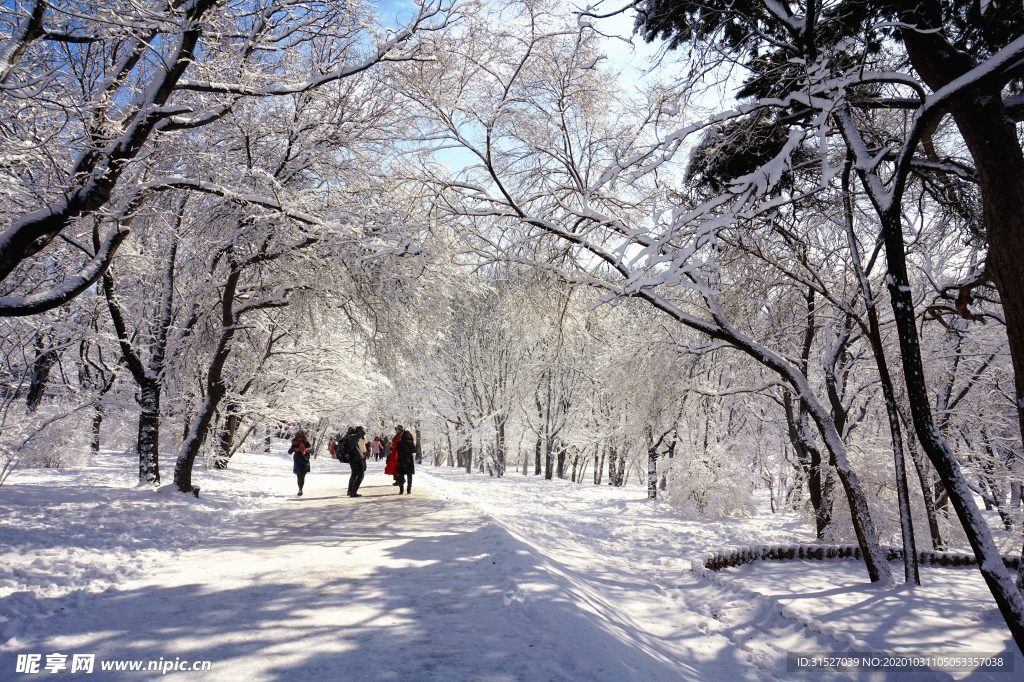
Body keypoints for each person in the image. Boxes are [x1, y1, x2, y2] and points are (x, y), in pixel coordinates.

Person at [344, 426, 367, 497]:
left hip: (351, 458)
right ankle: (353, 491)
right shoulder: (352, 437)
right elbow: (363, 432)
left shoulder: (346, 437)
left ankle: (350, 490)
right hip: (357, 457)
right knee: (361, 474)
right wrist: (360, 428)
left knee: (354, 474)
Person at [289, 431, 312, 496]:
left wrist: (309, 450)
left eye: (301, 437)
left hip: (305, 460)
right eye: (299, 437)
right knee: (299, 475)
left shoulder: (306, 443)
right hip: (297, 461)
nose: (300, 439)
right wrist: (294, 449)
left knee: (302, 475)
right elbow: (289, 452)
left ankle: (300, 489)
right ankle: (300, 489)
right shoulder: (294, 443)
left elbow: (312, 450)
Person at [396, 425, 416, 495]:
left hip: (401, 459)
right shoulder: (411, 443)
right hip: (409, 460)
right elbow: (414, 451)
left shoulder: (399, 442)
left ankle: (401, 489)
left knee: (401, 475)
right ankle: (409, 489)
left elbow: (397, 450)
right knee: (409, 475)